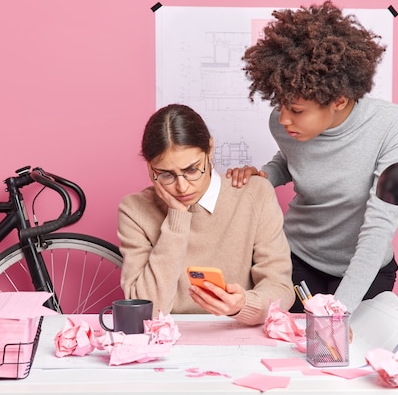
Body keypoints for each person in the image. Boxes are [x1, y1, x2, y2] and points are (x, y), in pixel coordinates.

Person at [227, 1, 398, 314]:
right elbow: (292, 162)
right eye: (281, 105)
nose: (284, 119)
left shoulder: (392, 124)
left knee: (343, 350)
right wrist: (265, 176)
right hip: (298, 258)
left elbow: (379, 224)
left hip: (365, 267)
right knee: (289, 346)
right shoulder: (283, 124)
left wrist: (339, 311)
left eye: (297, 110)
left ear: (339, 100)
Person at [118, 103, 295, 325]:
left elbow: (281, 288)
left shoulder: (254, 194)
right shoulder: (135, 209)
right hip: (167, 338)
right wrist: (177, 218)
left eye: (192, 170)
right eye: (165, 174)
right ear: (149, 168)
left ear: (210, 149)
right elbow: (145, 308)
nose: (182, 187)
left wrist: (243, 305)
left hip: (239, 332)